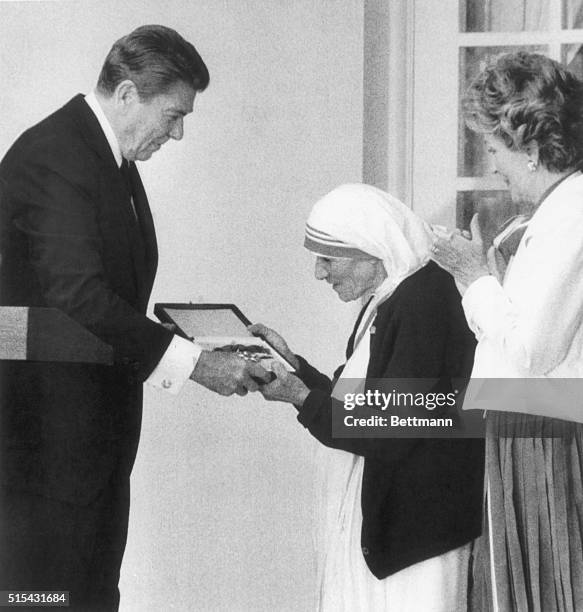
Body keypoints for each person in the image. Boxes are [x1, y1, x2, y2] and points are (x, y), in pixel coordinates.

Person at [0, 25, 269, 611]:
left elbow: (99, 304)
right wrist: (194, 363)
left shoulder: (103, 158)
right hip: (43, 449)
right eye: (173, 115)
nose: (178, 132)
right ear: (126, 94)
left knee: (88, 598)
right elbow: (81, 296)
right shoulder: (56, 155)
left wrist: (187, 341)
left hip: (88, 444)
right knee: (44, 601)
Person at [250, 183, 484, 611]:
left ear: (371, 250)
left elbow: (390, 424)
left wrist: (302, 399)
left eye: (327, 259)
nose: (319, 273)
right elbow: (363, 401)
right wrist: (295, 368)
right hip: (391, 526)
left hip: (415, 536)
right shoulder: (393, 295)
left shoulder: (424, 301)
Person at [431, 52, 583, 612]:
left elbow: (533, 349)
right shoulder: (556, 213)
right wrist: (488, 278)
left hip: (541, 429)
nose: (492, 165)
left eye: (493, 148)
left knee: (541, 598)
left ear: (529, 142)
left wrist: (472, 277)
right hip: (528, 423)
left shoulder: (571, 215)